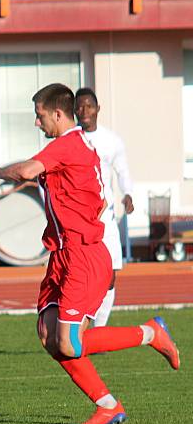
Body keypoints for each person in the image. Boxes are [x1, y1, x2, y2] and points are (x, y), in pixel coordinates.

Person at [0, 83, 179, 424]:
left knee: (70, 343)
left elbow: (27, 171)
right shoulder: (67, 147)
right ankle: (108, 406)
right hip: (63, 254)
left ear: (58, 114)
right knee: (48, 335)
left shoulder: (68, 144)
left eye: (40, 117)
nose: (37, 124)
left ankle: (150, 333)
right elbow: (33, 167)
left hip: (84, 255)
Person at [74, 87, 135, 327]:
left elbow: (123, 172)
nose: (84, 110)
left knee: (109, 278)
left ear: (98, 109)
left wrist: (128, 193)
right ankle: (79, 328)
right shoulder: (70, 140)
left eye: (89, 105)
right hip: (78, 221)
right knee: (82, 278)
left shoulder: (112, 141)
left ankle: (98, 331)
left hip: (105, 220)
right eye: (79, 106)